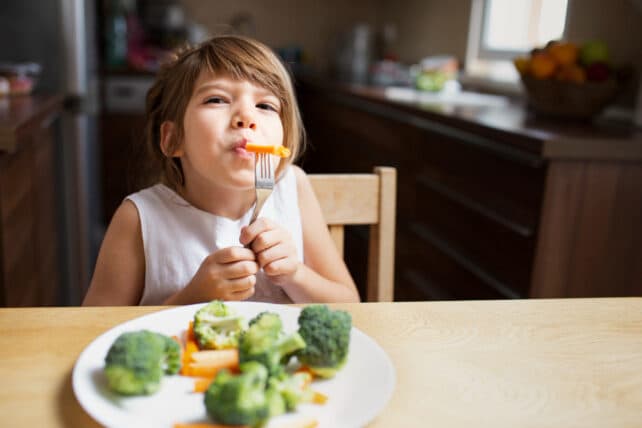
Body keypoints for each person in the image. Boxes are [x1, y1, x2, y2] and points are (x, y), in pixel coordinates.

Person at [83, 35, 360, 305]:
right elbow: (91, 328)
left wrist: (296, 275)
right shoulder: (139, 218)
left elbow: (350, 303)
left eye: (265, 105)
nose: (247, 118)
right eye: (217, 99)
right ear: (173, 139)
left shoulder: (292, 187)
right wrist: (191, 299)